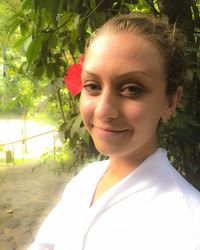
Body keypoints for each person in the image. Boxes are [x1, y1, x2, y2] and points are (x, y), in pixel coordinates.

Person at [29, 13, 200, 250]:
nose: (103, 111)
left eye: (132, 89)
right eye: (92, 86)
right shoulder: (85, 180)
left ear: (170, 102)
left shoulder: (187, 225)